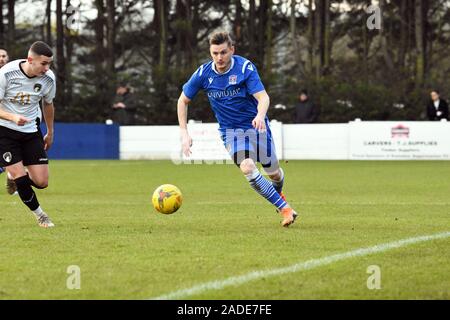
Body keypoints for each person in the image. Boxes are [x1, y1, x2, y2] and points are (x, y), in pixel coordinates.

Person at [177, 31, 298, 227]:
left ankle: (279, 197)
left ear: (232, 50)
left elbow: (263, 97)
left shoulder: (245, 68)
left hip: (256, 127)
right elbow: (182, 101)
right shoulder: (203, 73)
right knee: (248, 167)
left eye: (223, 52)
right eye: (215, 53)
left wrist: (260, 116)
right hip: (231, 132)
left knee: (274, 173)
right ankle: (285, 209)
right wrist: (184, 132)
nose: (219, 58)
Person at [0, 41, 56, 228]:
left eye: (49, 64)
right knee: (20, 177)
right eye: (44, 64)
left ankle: (14, 177)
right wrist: (12, 117)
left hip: (31, 131)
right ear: (30, 60)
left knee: (41, 182)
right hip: (5, 132)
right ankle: (41, 215)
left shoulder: (48, 79)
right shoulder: (6, 73)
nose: (47, 68)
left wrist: (50, 131)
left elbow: (48, 104)